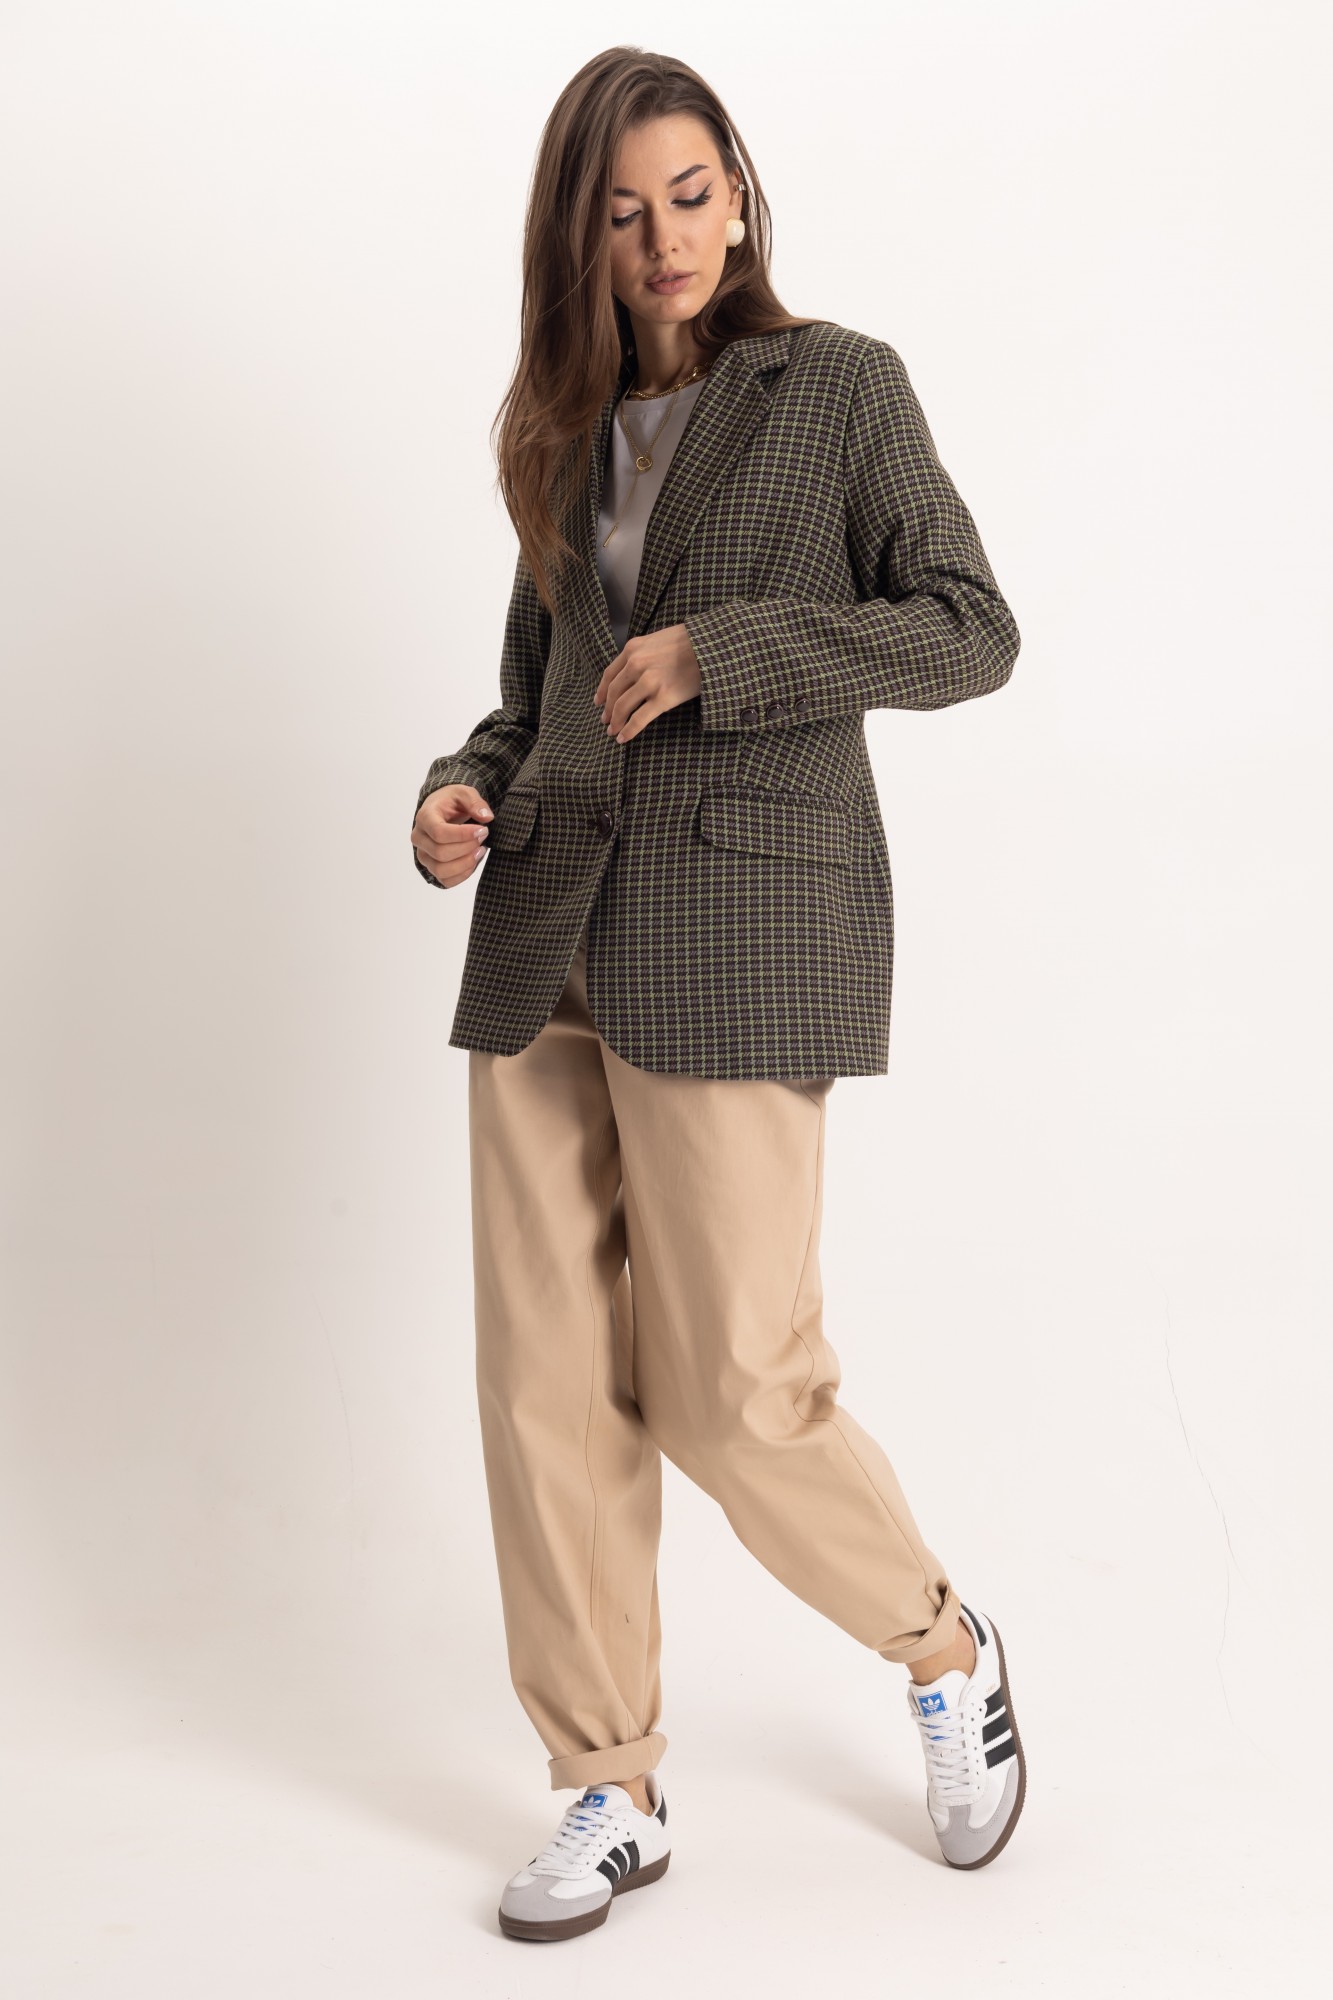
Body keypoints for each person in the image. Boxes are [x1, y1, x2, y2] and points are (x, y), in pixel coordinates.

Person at [410, 47, 1026, 1943]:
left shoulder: (837, 388)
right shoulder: (558, 430)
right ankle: (605, 1784)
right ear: (577, 241)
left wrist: (723, 653)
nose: (664, 238)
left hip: (740, 933)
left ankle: (941, 1646)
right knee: (544, 1389)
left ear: (740, 195)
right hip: (544, 932)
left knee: (739, 1391)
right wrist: (456, 795)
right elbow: (531, 699)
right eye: (622, 214)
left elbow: (968, 629)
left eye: (689, 195)